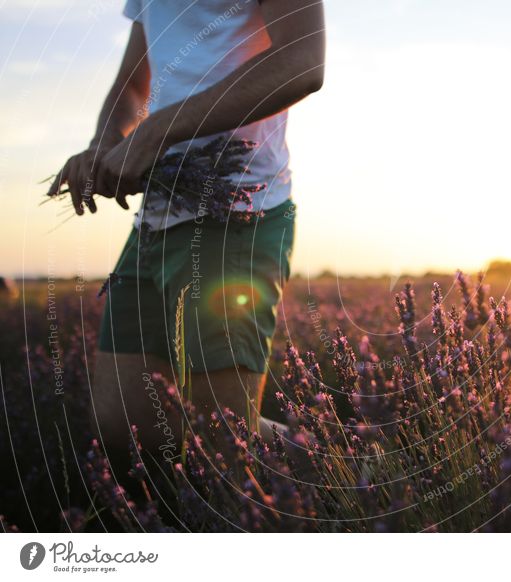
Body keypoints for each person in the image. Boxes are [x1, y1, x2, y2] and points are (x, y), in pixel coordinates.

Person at [46, 0, 325, 460]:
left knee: (223, 446)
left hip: (235, 212)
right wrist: (103, 144)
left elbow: (302, 59)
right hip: (155, 216)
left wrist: (157, 132)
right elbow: (134, 83)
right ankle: (340, 459)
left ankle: (354, 473)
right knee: (125, 430)